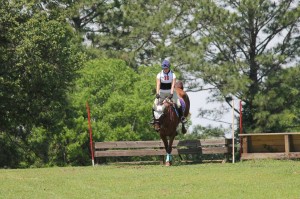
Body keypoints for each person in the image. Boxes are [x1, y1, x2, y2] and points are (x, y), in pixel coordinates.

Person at [150, 59, 187, 124]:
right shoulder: (159, 75)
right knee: (154, 105)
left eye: (166, 68)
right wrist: (157, 93)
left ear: (169, 68)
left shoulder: (173, 75)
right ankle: (154, 118)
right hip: (162, 92)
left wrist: (171, 93)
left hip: (171, 91)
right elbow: (158, 84)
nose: (165, 70)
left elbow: (173, 85)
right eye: (164, 68)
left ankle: (182, 117)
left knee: (178, 104)